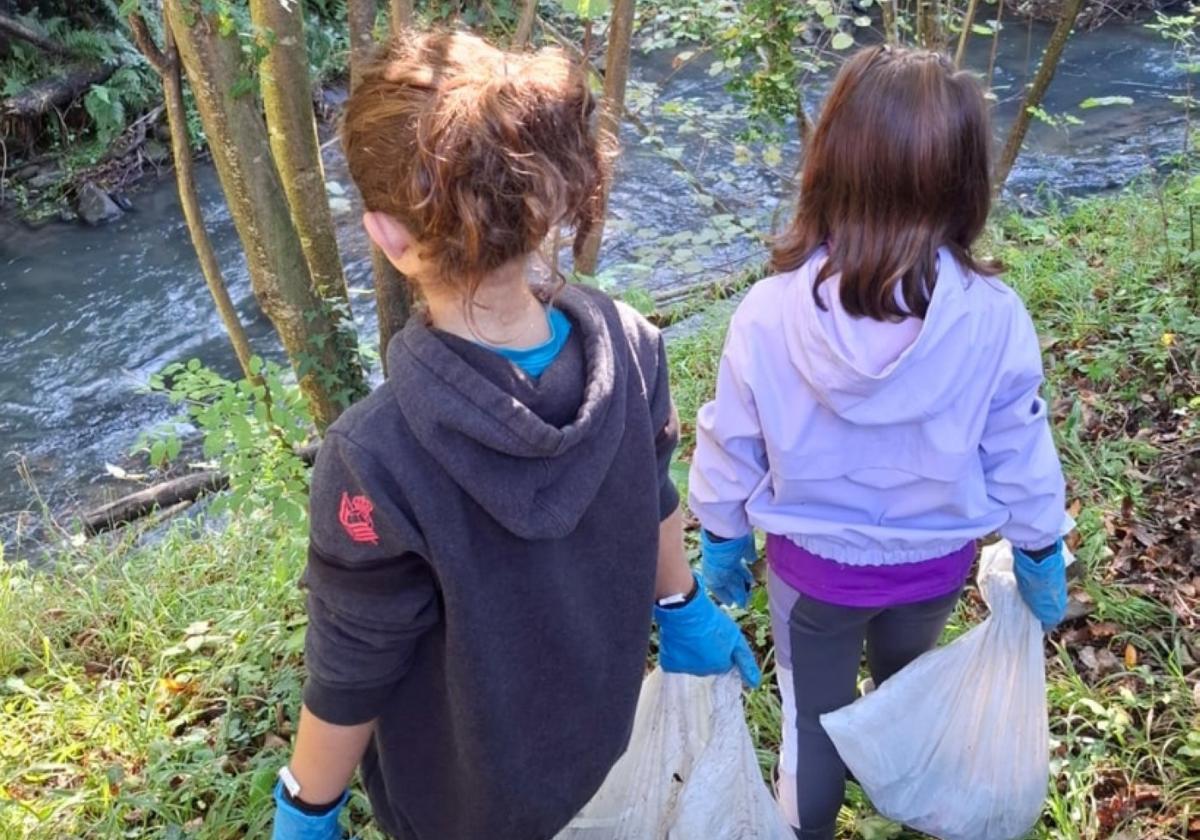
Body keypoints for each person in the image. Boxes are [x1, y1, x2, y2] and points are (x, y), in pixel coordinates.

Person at [270, 31, 760, 840]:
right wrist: (680, 602)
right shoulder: (632, 345)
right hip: (600, 739)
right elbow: (657, 491)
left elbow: (355, 660)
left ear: (388, 237)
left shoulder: (373, 456)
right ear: (547, 204)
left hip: (465, 803)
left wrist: (309, 803)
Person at [688, 45, 1071, 840]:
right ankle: (914, 805)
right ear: (966, 181)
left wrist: (722, 535)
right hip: (933, 566)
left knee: (811, 727)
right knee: (909, 698)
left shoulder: (767, 312)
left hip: (813, 573)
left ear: (829, 161)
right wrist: (1039, 547)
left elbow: (730, 441)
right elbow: (1021, 449)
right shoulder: (993, 317)